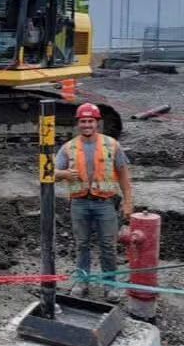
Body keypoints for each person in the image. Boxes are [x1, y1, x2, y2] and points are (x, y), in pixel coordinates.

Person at [55, 103, 133, 302]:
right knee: (82, 245)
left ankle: (110, 286)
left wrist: (128, 202)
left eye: (91, 121)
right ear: (78, 123)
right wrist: (63, 174)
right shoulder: (69, 148)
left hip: (105, 203)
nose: (87, 125)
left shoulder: (112, 145)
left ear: (97, 123)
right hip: (79, 203)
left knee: (108, 245)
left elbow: (124, 175)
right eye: (83, 121)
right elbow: (50, 174)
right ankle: (82, 282)